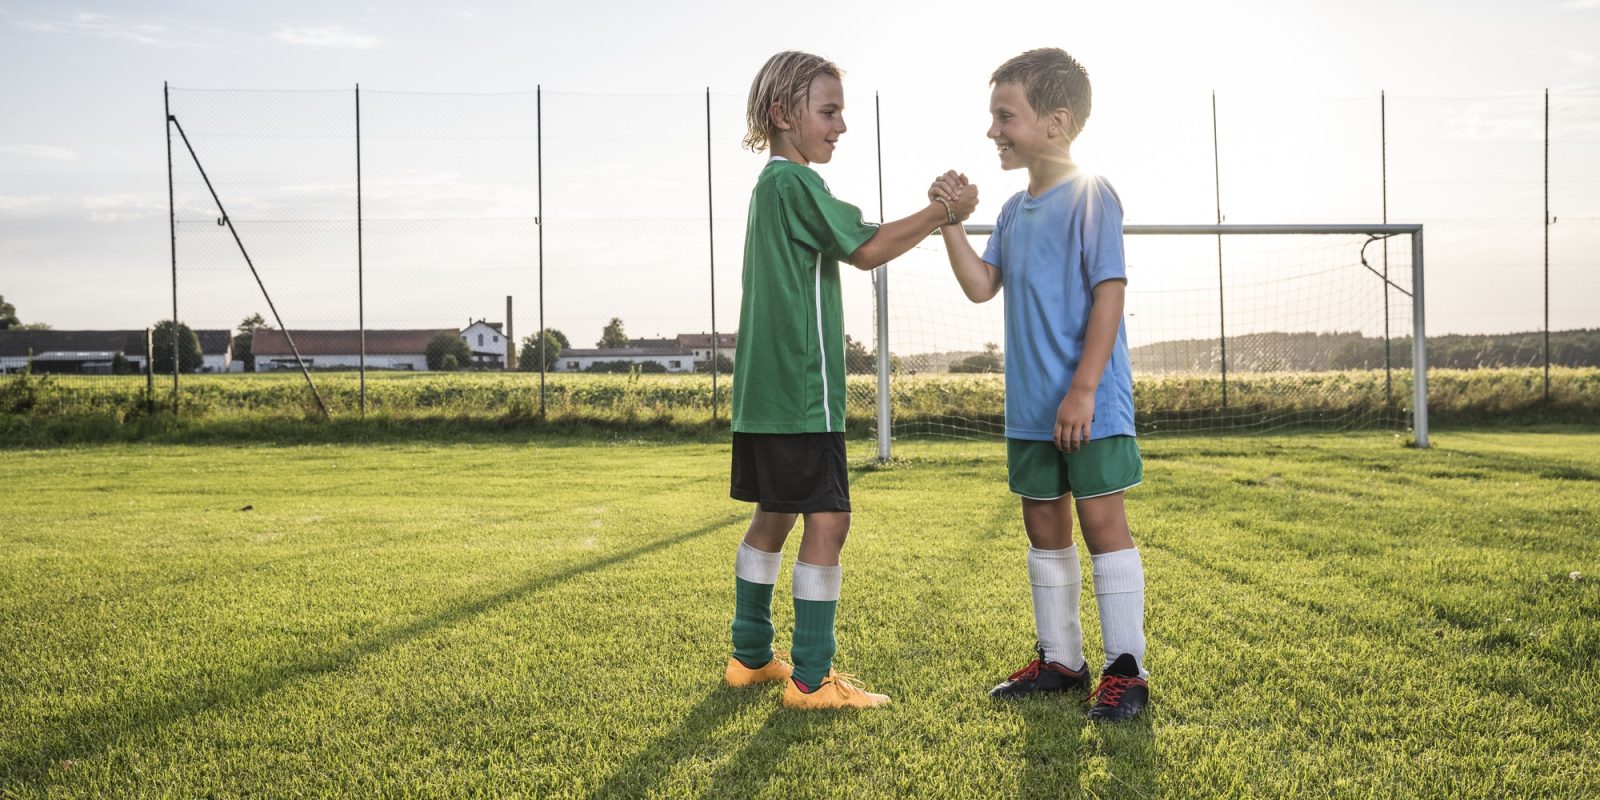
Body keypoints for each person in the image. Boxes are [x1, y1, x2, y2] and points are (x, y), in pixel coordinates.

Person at [725, 50, 977, 710]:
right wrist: (941, 212)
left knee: (775, 514)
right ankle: (813, 680)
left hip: (764, 396)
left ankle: (749, 656)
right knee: (829, 519)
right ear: (784, 114)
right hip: (803, 395)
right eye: (828, 111)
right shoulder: (794, 184)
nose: (839, 126)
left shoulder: (770, 187)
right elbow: (865, 248)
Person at [931, 47, 1149, 722]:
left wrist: (1084, 388)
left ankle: (1126, 671)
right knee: (1042, 522)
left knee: (1101, 521)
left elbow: (1108, 294)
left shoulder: (1091, 194)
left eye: (1006, 116)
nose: (994, 130)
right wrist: (948, 222)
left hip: (1089, 407)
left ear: (1055, 122)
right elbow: (980, 286)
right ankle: (1061, 661)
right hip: (1030, 410)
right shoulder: (1009, 211)